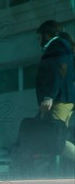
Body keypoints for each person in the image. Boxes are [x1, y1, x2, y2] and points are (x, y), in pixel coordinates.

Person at [35, 20, 75, 162]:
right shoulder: (63, 45)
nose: (38, 42)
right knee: (57, 138)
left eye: (38, 38)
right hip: (63, 99)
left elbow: (60, 70)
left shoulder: (56, 44)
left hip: (59, 100)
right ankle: (57, 175)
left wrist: (49, 96)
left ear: (46, 35)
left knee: (55, 139)